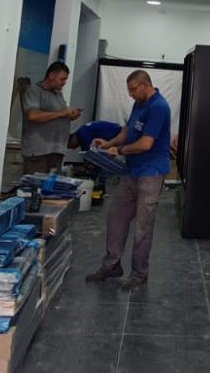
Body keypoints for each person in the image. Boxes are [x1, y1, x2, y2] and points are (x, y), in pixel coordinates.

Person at [85, 70, 172, 289]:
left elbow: (146, 144)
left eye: (133, 90)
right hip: (132, 172)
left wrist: (120, 150)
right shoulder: (139, 104)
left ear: (145, 85)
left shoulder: (158, 107)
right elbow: (128, 130)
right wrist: (108, 144)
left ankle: (139, 273)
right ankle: (112, 265)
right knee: (116, 218)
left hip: (151, 173)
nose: (130, 94)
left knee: (143, 227)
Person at [21, 61, 82, 175]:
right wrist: (61, 113)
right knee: (36, 184)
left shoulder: (58, 94)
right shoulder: (35, 91)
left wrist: (70, 116)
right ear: (52, 76)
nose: (64, 83)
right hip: (39, 152)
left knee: (51, 185)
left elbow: (59, 115)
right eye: (62, 79)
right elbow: (32, 115)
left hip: (56, 151)